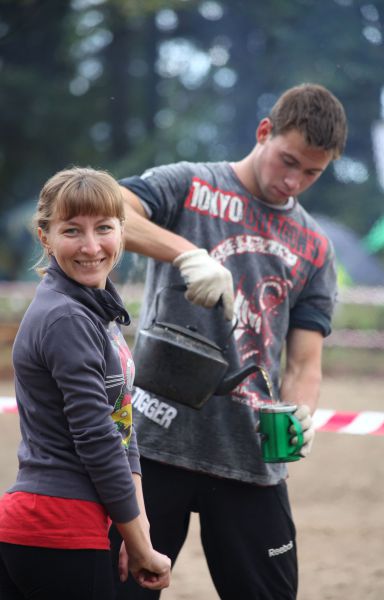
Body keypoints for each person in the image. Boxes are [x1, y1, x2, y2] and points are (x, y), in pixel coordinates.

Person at [110, 83, 348, 599]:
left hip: (249, 457)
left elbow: (305, 364)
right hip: (151, 448)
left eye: (312, 172)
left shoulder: (315, 247)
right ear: (264, 132)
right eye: (288, 161)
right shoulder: (190, 185)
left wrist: (301, 414)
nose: (294, 181)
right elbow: (108, 212)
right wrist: (186, 254)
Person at [0, 167, 171, 600]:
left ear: (122, 231)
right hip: (58, 528)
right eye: (72, 230)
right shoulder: (67, 317)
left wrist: (136, 526)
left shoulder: (94, 310)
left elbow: (122, 424)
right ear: (45, 236)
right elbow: (97, 438)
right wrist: (139, 545)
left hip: (73, 522)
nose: (91, 246)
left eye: (104, 228)